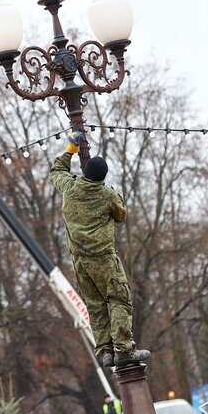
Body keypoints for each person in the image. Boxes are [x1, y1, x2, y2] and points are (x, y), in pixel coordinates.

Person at [48, 131, 150, 367]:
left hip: (80, 262)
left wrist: (70, 150)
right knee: (120, 299)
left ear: (84, 173)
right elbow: (121, 214)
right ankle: (123, 349)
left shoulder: (70, 189)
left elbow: (56, 172)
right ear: (103, 177)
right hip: (104, 259)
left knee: (95, 305)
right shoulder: (106, 195)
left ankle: (105, 350)